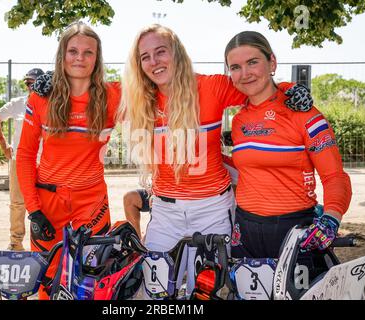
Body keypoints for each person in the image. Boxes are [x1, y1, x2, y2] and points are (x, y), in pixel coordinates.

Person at [119, 24, 312, 297]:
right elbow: (85, 91)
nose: (154, 61)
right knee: (155, 291)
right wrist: (46, 88)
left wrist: (290, 89)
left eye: (161, 52)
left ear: (177, 54)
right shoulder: (137, 97)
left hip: (213, 209)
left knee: (211, 289)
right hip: (165, 213)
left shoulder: (211, 87)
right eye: (145, 57)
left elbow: (256, 85)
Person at [224, 31, 352, 259]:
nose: (245, 73)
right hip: (244, 231)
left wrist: (332, 217)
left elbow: (335, 177)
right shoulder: (239, 120)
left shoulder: (305, 114)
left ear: (272, 62)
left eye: (253, 62)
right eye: (235, 67)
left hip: (296, 229)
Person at [16, 22, 120, 300]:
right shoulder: (41, 96)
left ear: (97, 58)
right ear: (62, 55)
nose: (80, 58)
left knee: (94, 278)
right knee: (47, 280)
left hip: (92, 201)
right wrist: (33, 210)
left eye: (88, 52)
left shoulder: (114, 95)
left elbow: (152, 91)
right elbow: (25, 155)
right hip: (48, 202)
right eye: (72, 51)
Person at [0, 67, 44, 251]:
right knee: (17, 203)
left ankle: (44, 244)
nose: (31, 86)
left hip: (44, 162)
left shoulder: (50, 104)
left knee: (44, 204)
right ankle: (16, 244)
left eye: (35, 82)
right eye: (28, 83)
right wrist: (3, 145)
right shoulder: (18, 103)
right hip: (19, 161)